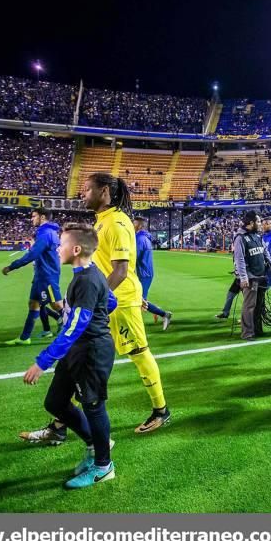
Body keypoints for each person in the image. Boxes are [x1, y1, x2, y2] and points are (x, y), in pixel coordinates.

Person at [21, 223, 117, 489]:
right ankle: (93, 445)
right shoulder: (87, 274)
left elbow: (75, 326)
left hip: (91, 352)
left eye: (61, 244)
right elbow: (111, 302)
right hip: (78, 349)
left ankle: (103, 466)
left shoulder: (86, 279)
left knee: (94, 407)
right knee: (55, 402)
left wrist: (43, 361)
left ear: (75, 249)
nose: (56, 248)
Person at [83, 172, 171, 433]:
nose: (83, 194)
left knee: (139, 352)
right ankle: (62, 421)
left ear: (104, 192)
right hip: (107, 302)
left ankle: (161, 410)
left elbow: (121, 270)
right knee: (84, 358)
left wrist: (95, 300)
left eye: (88, 189)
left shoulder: (118, 222)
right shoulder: (102, 221)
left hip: (119, 302)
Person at [3, 207, 64, 345]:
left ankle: (81, 331)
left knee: (57, 305)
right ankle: (25, 338)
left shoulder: (45, 234)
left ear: (42, 217)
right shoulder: (49, 232)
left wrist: (12, 266)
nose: (32, 219)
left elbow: (32, 255)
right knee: (34, 304)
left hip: (47, 276)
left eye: (34, 216)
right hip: (41, 276)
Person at [232, 211, 271, 341]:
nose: (260, 224)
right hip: (250, 278)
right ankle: (247, 333)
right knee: (249, 306)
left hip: (261, 276)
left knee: (259, 305)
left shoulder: (257, 236)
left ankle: (257, 329)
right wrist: (243, 278)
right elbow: (239, 259)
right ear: (251, 223)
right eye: (258, 221)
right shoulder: (240, 238)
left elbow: (264, 251)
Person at [133, 217, 172, 331]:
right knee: (138, 299)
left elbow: (134, 257)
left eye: (133, 224)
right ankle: (159, 312)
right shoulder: (145, 237)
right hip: (145, 273)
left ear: (139, 226)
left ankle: (163, 314)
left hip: (143, 274)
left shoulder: (139, 238)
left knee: (139, 301)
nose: (131, 226)